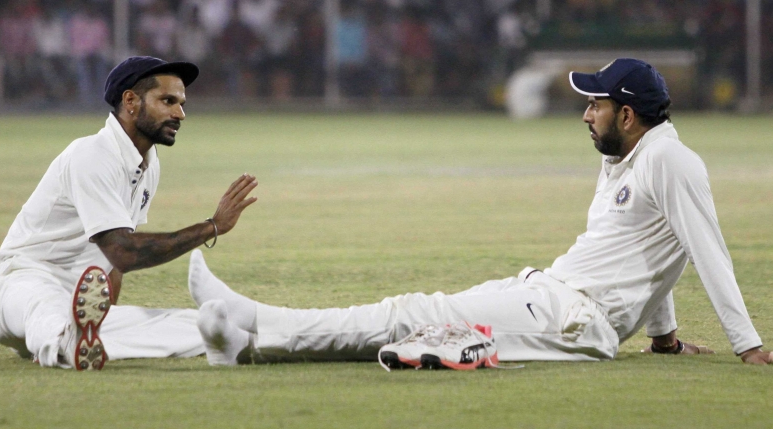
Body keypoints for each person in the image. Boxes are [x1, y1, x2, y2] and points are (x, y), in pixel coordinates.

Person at [188, 58, 773, 366]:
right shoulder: (629, 156)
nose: (585, 114)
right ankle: (253, 340)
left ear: (627, 114)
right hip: (550, 295)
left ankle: (258, 323)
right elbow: (649, 249)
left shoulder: (672, 161)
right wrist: (664, 339)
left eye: (595, 103)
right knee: (413, 320)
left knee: (410, 314)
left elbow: (705, 250)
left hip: (571, 315)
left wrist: (746, 344)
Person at [0, 56, 258, 370]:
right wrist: (212, 227)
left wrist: (103, 320)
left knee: (199, 323)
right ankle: (63, 340)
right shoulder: (91, 155)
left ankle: (84, 338)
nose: (180, 113)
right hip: (18, 284)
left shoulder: (148, 164)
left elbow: (114, 266)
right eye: (168, 101)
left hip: (78, 303)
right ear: (130, 101)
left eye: (181, 103)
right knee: (44, 307)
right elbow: (123, 251)